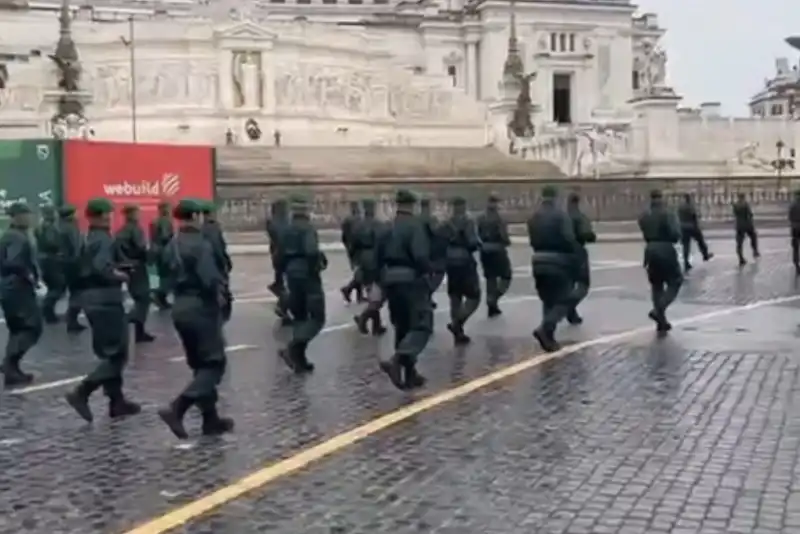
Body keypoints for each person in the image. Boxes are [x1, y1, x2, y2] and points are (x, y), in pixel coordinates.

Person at [158, 199, 233, 439]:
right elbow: (210, 278)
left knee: (200, 366)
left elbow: (163, 272)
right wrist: (221, 298)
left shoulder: (173, 243)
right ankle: (177, 408)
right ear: (197, 217)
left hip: (180, 307)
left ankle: (210, 419)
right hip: (201, 307)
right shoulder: (201, 245)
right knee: (214, 364)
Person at [64, 198, 141, 423]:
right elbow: (101, 268)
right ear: (101, 216)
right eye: (107, 214)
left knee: (111, 352)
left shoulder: (89, 237)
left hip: (93, 300)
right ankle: (82, 392)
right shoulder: (103, 239)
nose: (109, 217)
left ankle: (116, 401)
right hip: (106, 300)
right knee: (117, 354)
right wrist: (122, 275)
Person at [377, 189, 432, 390]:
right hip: (411, 279)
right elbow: (420, 255)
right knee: (422, 325)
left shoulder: (387, 227)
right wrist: (428, 271)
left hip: (390, 279)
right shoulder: (414, 226)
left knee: (402, 326)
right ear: (412, 205)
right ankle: (397, 360)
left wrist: (380, 281)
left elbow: (377, 256)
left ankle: (409, 374)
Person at [277, 195, 327, 374]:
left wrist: (283, 273)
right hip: (307, 274)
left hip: (291, 273)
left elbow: (279, 254)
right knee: (317, 317)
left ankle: (299, 359)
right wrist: (316, 268)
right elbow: (311, 251)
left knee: (299, 316)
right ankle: (293, 348)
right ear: (306, 210)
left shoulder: (285, 229)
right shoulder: (308, 229)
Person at [527, 186, 579, 352]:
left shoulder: (533, 217)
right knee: (564, 299)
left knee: (547, 299)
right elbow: (569, 238)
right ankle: (545, 328)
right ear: (556, 197)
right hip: (558, 259)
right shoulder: (561, 216)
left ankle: (549, 338)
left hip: (538, 259)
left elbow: (532, 239)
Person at [0, 202, 42, 386]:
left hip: (10, 288)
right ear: (17, 217)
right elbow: (13, 262)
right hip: (17, 288)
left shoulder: (12, 235)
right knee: (31, 328)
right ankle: (10, 365)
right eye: (26, 214)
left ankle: (12, 369)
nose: (30, 218)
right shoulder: (16, 237)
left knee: (18, 329)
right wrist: (28, 274)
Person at [638, 189, 683, 334]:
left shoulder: (644, 215)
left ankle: (661, 322)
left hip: (650, 250)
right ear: (661, 198)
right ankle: (659, 310)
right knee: (675, 281)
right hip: (665, 249)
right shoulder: (667, 213)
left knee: (656, 285)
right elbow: (675, 234)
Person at [441, 196, 481, 345]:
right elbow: (472, 242)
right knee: (474, 296)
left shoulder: (446, 223)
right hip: (465, 261)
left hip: (449, 261)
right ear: (463, 206)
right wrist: (478, 244)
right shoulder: (468, 221)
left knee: (455, 296)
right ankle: (457, 323)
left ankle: (458, 334)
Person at [114, 204, 154, 342]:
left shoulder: (121, 231)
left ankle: (139, 332)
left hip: (125, 267)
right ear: (132, 214)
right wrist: (150, 258)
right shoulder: (135, 230)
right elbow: (141, 248)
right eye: (137, 212)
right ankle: (131, 321)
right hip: (137, 266)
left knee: (138, 298)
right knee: (144, 298)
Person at [353, 198, 387, 336]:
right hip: (375, 257)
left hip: (363, 258)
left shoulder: (358, 225)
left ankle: (376, 325)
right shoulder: (378, 225)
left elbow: (352, 244)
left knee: (371, 291)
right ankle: (364, 317)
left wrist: (356, 260)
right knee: (380, 293)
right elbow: (383, 242)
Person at [477, 193, 512, 317]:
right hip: (498, 250)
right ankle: (494, 298)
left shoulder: (480, 217)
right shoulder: (500, 218)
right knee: (506, 276)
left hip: (485, 250)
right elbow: (503, 234)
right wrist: (507, 241)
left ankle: (492, 306)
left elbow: (477, 234)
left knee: (490, 278)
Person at [565, 192, 596, 324]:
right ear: (578, 202)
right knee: (583, 285)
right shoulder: (580, 217)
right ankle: (569, 306)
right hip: (577, 251)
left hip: (561, 252)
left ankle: (572, 314)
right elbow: (586, 234)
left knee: (569, 284)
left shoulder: (561, 217)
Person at [201, 202, 233, 322]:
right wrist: (225, 261)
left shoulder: (201, 227)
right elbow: (218, 246)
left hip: (207, 261)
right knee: (221, 286)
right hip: (216, 261)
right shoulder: (214, 227)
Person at [57, 205, 86, 332]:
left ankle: (72, 320)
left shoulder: (60, 227)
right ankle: (72, 320)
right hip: (74, 264)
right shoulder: (71, 228)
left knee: (74, 292)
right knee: (77, 292)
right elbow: (76, 248)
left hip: (64, 263)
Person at [34, 205, 62, 323]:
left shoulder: (40, 227)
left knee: (52, 287)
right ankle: (46, 310)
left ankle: (47, 312)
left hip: (42, 259)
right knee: (58, 287)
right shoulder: (50, 228)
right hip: (51, 259)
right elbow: (51, 243)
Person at [266, 198, 292, 324]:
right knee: (290, 283)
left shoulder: (272, 222)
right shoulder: (283, 223)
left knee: (283, 280)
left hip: (277, 254)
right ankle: (282, 306)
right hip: (284, 254)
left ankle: (282, 301)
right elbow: (282, 238)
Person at [419, 198, 445, 308]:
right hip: (431, 250)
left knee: (424, 274)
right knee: (438, 273)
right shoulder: (431, 219)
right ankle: (427, 293)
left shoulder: (416, 219)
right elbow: (436, 232)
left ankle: (427, 298)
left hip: (419, 250)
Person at [677, 193, 712, 271]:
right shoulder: (690, 206)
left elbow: (678, 216)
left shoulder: (680, 207)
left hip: (683, 227)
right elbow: (694, 216)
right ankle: (705, 255)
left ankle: (686, 263)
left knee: (686, 245)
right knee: (700, 241)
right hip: (692, 227)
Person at [149, 201, 174, 310]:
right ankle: (160, 297)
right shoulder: (165, 221)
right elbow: (165, 236)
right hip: (164, 252)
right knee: (166, 276)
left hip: (155, 251)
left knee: (158, 275)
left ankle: (159, 296)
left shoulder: (154, 221)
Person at [339, 201, 364, 304]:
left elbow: (343, 237)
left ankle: (359, 295)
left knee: (358, 272)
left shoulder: (346, 221)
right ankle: (347, 289)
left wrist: (347, 246)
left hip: (350, 248)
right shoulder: (358, 220)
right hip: (358, 249)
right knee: (361, 272)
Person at [733, 192, 759, 266]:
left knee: (739, 243)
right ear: (743, 197)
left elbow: (735, 214)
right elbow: (750, 214)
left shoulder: (735, 205)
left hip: (739, 226)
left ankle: (741, 258)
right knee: (753, 237)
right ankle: (755, 251)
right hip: (747, 225)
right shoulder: (746, 204)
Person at [789, 190, 800, 276]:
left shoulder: (792, 204)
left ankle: (796, 264)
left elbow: (789, 216)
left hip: (795, 228)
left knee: (795, 247)